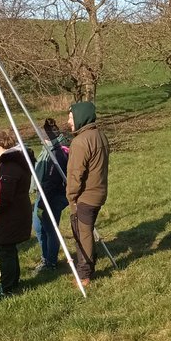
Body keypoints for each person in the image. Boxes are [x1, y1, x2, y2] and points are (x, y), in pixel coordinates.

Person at [65, 100, 109, 287]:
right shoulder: (100, 135)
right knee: (87, 231)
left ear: (81, 117)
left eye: (71, 117)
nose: (69, 121)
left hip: (86, 196)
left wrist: (71, 196)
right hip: (99, 192)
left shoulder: (80, 142)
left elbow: (76, 174)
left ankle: (84, 275)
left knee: (82, 234)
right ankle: (89, 265)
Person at [0, 129, 34, 296]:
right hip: (19, 210)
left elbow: (5, 196)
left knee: (5, 251)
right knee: (10, 250)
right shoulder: (19, 160)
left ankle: (7, 287)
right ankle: (13, 281)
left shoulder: (9, 166)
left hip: (10, 215)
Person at [32, 117, 69, 272]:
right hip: (42, 193)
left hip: (52, 196)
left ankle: (51, 261)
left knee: (50, 228)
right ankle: (45, 257)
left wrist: (43, 200)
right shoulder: (46, 149)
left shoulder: (57, 152)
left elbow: (53, 179)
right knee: (38, 226)